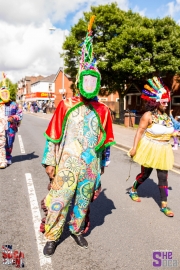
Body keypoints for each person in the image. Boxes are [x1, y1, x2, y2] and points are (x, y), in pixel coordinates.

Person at [40, 16, 115, 257]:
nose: (90, 83)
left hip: (90, 166)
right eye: (87, 79)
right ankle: (52, 235)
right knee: (59, 201)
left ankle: (76, 230)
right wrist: (50, 162)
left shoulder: (103, 110)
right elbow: (53, 136)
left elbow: (106, 144)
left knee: (82, 203)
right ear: (81, 79)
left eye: (95, 80)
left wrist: (102, 166)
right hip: (67, 164)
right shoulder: (66, 105)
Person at [129, 77, 175, 217]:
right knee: (145, 174)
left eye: (167, 102)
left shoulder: (167, 118)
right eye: (163, 102)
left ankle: (164, 204)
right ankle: (133, 189)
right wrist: (134, 148)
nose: (166, 105)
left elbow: (170, 132)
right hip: (149, 149)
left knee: (163, 178)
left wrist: (175, 134)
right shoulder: (148, 116)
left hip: (163, 150)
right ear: (156, 102)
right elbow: (139, 132)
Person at [0, 73, 23, 168]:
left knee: (9, 143)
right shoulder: (0, 105)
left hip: (11, 127)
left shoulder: (14, 104)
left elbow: (20, 114)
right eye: (2, 93)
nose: (4, 95)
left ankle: (8, 157)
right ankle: (2, 159)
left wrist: (13, 118)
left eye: (6, 93)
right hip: (1, 127)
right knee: (1, 143)